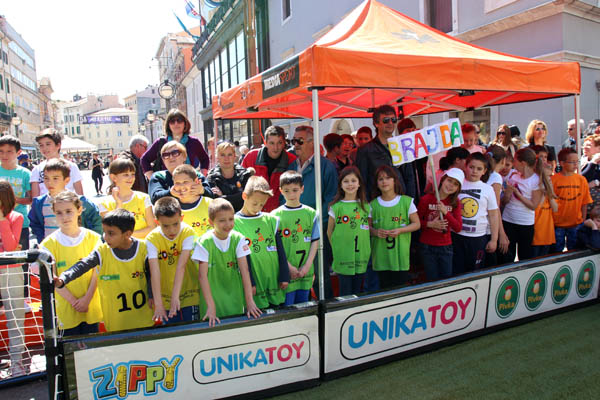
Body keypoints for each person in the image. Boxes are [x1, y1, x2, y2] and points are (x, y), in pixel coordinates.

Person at [53, 209, 154, 332]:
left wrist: (151, 295)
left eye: (111, 233)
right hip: (116, 322)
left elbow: (152, 275)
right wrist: (63, 279)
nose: (105, 237)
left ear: (127, 234)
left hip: (143, 319)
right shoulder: (102, 251)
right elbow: (82, 265)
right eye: (104, 232)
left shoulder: (144, 249)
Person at [39, 191, 103, 336]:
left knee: (91, 344)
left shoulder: (94, 239)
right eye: (59, 213)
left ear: (79, 210)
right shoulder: (48, 244)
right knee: (69, 347)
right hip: (65, 308)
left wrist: (86, 300)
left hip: (91, 304)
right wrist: (74, 302)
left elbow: (97, 273)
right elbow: (52, 278)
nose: (64, 217)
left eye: (69, 211)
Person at [192, 198, 261, 326]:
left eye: (231, 219)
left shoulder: (238, 239)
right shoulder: (204, 243)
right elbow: (202, 276)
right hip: (212, 301)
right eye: (222, 220)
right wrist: (210, 306)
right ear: (211, 222)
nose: (228, 224)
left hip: (235, 299)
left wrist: (250, 302)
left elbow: (245, 271)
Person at [289, 125, 338, 299]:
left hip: (317, 229)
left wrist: (314, 222)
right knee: (298, 274)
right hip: (294, 230)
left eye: (299, 141)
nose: (295, 144)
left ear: (312, 142)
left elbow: (331, 200)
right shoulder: (291, 166)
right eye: (293, 140)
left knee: (319, 275)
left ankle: (327, 307)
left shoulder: (325, 167)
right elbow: (283, 196)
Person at [234, 176, 290, 309]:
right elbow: (241, 258)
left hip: (274, 282)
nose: (258, 208)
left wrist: (284, 275)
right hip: (253, 286)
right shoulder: (234, 223)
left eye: (262, 205)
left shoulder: (271, 220)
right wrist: (250, 282)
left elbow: (280, 250)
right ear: (244, 196)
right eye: (255, 203)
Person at [146, 196, 198, 324]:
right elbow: (154, 271)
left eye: (175, 224)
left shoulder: (188, 232)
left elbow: (181, 265)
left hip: (190, 294)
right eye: (166, 226)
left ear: (181, 218)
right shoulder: (152, 239)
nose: (172, 230)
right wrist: (158, 304)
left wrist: (176, 297)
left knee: (192, 330)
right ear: (157, 222)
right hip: (165, 297)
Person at [272, 171, 320, 305]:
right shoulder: (275, 216)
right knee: (288, 308)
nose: (291, 195)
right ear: (281, 191)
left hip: (305, 273)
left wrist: (307, 266)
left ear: (302, 189)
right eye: (287, 191)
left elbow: (315, 242)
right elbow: (275, 247)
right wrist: (288, 267)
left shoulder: (311, 213)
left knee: (304, 307)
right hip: (287, 274)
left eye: (295, 190)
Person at [369, 165, 420, 289]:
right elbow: (367, 228)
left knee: (400, 289)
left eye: (388, 178)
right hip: (381, 257)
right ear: (377, 183)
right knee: (384, 289)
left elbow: (417, 224)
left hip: (400, 257)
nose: (384, 181)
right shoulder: (372, 205)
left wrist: (401, 230)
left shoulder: (406, 201)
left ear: (395, 180)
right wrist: (375, 232)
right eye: (380, 179)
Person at [29, 159, 103, 244]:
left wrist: (92, 242)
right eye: (46, 178)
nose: (50, 182)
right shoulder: (39, 203)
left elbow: (96, 222)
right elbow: (35, 223)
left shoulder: (80, 201)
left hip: (77, 246)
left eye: (55, 178)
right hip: (51, 247)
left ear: (67, 180)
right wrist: (42, 239)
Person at [356, 105, 418, 201]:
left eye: (393, 120)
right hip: (377, 203)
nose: (390, 123)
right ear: (376, 123)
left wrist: (409, 202)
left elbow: (410, 178)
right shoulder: (365, 150)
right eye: (386, 120)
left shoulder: (402, 146)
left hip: (401, 202)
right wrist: (368, 206)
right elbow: (362, 182)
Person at [453, 153, 499, 275]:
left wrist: (494, 240)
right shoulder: (457, 185)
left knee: (475, 272)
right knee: (457, 271)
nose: (474, 171)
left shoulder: (488, 189)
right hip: (457, 236)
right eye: (471, 167)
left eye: (479, 169)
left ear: (484, 171)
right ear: (466, 166)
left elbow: (494, 215)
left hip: (478, 238)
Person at [327, 167, 371, 296]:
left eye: (353, 180)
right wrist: (337, 249)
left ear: (359, 183)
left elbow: (367, 230)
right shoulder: (336, 207)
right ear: (340, 184)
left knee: (357, 291)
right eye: (346, 181)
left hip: (361, 256)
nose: (350, 184)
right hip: (343, 257)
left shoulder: (366, 206)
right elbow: (329, 231)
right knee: (345, 292)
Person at [417, 168, 463, 281]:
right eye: (449, 180)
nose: (451, 185)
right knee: (431, 279)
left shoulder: (455, 202)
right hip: (427, 246)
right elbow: (416, 223)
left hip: (445, 247)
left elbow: (458, 228)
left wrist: (446, 212)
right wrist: (430, 224)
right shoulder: (426, 199)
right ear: (442, 180)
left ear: (458, 188)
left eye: (455, 184)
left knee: (446, 280)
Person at [0, 180, 26, 375]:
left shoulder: (16, 217)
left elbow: (10, 247)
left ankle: (17, 362)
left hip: (11, 271)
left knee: (15, 316)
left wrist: (2, 220)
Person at [500, 148, 544, 262]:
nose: (513, 164)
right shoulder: (514, 176)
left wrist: (517, 194)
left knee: (525, 256)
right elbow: (504, 201)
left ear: (523, 163)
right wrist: (507, 194)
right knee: (506, 256)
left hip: (525, 223)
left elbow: (533, 205)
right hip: (508, 220)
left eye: (515, 161)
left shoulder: (536, 180)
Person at [241, 125, 296, 212]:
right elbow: (242, 184)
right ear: (265, 142)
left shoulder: (292, 160)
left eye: (279, 143)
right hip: (254, 212)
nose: (276, 147)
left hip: (281, 213)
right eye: (272, 143)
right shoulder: (251, 157)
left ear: (284, 143)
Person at [141, 109, 209, 179]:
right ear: (168, 125)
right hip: (168, 183)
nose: (176, 123)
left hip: (189, 182)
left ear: (185, 123)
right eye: (172, 121)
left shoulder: (194, 142)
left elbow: (205, 159)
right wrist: (152, 178)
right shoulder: (161, 143)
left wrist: (202, 177)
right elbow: (144, 160)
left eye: (179, 120)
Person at [98, 158, 156, 239]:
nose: (131, 178)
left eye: (133, 174)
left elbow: (152, 227)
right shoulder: (104, 203)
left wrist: (126, 236)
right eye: (126, 175)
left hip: (143, 245)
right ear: (113, 177)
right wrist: (119, 204)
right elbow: (112, 230)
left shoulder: (143, 198)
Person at [551, 148, 593, 252]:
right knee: (556, 251)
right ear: (562, 163)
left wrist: (583, 219)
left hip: (576, 223)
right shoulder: (553, 180)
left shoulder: (581, 180)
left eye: (577, 161)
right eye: (572, 162)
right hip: (557, 224)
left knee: (574, 251)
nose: (575, 164)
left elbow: (585, 202)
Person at [148, 141, 213, 204]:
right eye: (166, 155)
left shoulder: (196, 175)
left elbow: (211, 196)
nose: (171, 157)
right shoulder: (158, 176)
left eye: (175, 153)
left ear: (184, 157)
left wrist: (202, 190)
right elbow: (154, 198)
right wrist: (170, 193)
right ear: (163, 160)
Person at [0, 135, 31, 264]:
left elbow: (31, 199)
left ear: (18, 153)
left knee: (21, 264)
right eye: (1, 151)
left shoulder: (25, 173)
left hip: (20, 224)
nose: (4, 155)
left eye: (9, 151)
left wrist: (12, 200)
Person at [31, 129, 83, 197]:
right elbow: (35, 198)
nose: (44, 148)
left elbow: (80, 196)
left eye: (48, 144)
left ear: (58, 145)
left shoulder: (71, 167)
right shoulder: (37, 170)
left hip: (66, 202)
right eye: (41, 145)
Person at [206, 142, 254, 212]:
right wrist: (238, 196)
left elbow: (248, 197)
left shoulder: (245, 174)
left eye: (230, 154)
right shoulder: (212, 178)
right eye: (222, 155)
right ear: (217, 157)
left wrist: (222, 197)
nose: (226, 158)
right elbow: (215, 203)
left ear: (234, 156)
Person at [530, 145, 558, 257]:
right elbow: (537, 206)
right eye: (540, 157)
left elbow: (555, 208)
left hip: (547, 233)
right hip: (535, 234)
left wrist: (549, 189)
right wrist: (543, 189)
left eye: (545, 157)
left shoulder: (549, 181)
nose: (543, 160)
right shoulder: (532, 181)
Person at [171, 164, 212, 237]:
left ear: (196, 181)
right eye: (177, 183)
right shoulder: (171, 208)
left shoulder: (211, 205)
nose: (181, 186)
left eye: (185, 182)